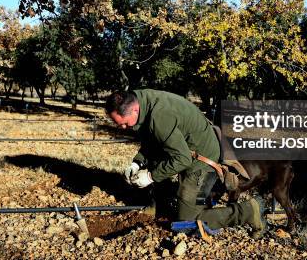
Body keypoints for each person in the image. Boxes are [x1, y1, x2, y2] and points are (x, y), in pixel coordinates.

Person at [105, 89, 266, 238]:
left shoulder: (159, 116)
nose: (124, 128)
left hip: (201, 159)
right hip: (183, 149)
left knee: (186, 222)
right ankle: (159, 205)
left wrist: (150, 176)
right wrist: (137, 163)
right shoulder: (141, 99)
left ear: (134, 109)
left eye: (124, 123)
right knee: (159, 163)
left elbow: (182, 159)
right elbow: (153, 139)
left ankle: (249, 211)